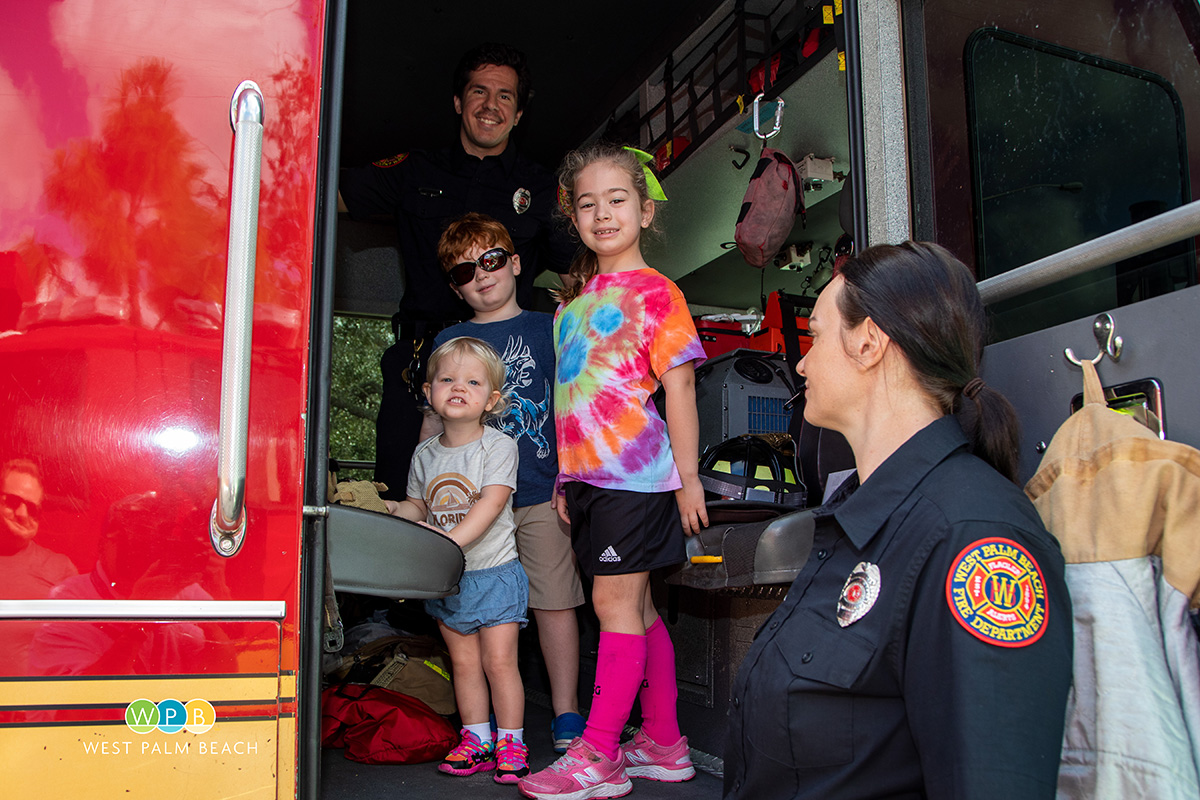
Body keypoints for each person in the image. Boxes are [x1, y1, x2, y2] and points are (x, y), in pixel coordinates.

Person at [722, 242, 1074, 799]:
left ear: (868, 342)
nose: (802, 362)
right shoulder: (862, 514)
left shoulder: (976, 539)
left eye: (814, 336)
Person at [518, 143, 707, 800]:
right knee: (639, 608)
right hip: (591, 483)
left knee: (612, 606)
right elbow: (572, 403)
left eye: (617, 200)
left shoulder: (658, 293)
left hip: (638, 480)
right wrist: (566, 481)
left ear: (646, 210)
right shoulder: (572, 306)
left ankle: (597, 754)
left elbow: (679, 391)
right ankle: (665, 742)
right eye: (587, 203)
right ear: (573, 217)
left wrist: (689, 478)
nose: (602, 214)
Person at [338, 42, 576, 500]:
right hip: (423, 362)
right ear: (458, 102)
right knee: (404, 491)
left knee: (512, 497)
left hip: (509, 370)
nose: (491, 106)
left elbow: (578, 285)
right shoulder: (414, 170)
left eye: (505, 96)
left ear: (519, 112)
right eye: (479, 92)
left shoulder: (542, 188)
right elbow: (322, 189)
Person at [423, 212, 586, 752]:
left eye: (492, 261)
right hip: (467, 501)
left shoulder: (548, 328)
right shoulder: (450, 338)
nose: (483, 275)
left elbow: (572, 407)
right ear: (455, 286)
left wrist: (574, 477)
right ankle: (483, 725)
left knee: (553, 601)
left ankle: (566, 713)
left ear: (515, 262)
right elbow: (432, 424)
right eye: (466, 270)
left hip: (540, 488)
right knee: (467, 607)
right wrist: (419, 499)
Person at [384, 336, 530, 784]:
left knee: (500, 662)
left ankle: (511, 739)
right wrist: (391, 515)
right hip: (447, 579)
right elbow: (416, 505)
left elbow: (489, 505)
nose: (458, 387)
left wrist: (446, 543)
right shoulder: (425, 454)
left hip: (493, 574)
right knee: (463, 663)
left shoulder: (498, 447)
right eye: (446, 379)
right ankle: (476, 737)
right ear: (429, 392)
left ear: (492, 399)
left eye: (472, 380)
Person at [0, 459, 76, 675]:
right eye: (12, 501)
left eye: (32, 508)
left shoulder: (60, 569)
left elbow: (74, 652)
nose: (22, 514)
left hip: (30, 706)